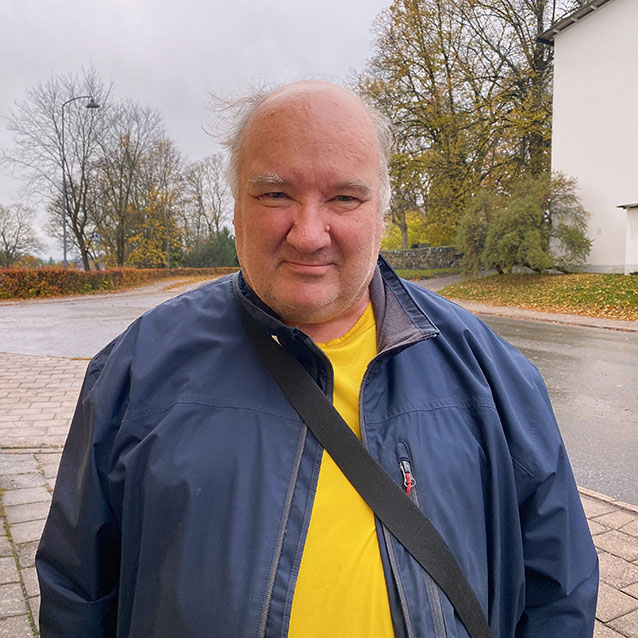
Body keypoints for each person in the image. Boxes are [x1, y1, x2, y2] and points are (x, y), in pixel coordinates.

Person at [36, 81, 598, 637]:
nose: (308, 234)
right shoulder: (136, 370)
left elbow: (559, 589)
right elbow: (78, 590)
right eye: (275, 194)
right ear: (235, 207)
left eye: (344, 198)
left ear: (381, 209)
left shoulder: (490, 374)